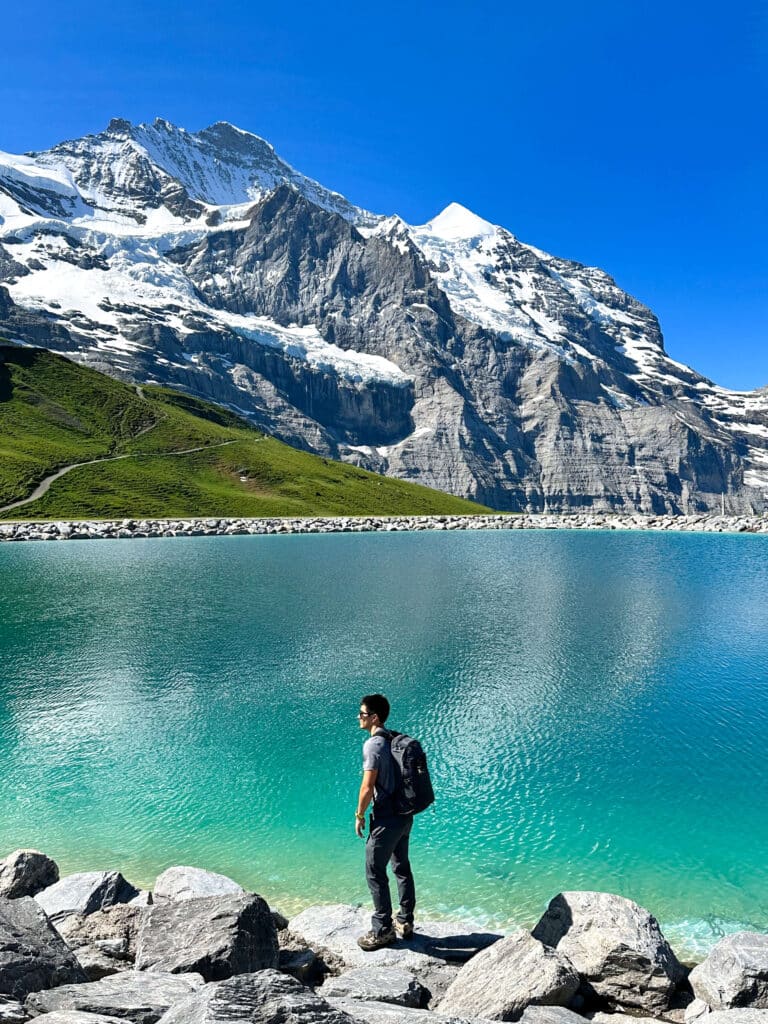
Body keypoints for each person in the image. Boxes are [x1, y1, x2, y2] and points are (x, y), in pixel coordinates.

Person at [354, 693, 415, 951]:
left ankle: (383, 930)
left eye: (363, 714)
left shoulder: (373, 746)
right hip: (404, 816)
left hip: (386, 819)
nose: (359, 718)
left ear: (374, 717)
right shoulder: (394, 739)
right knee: (401, 866)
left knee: (374, 871)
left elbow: (367, 787)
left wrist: (358, 815)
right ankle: (405, 920)